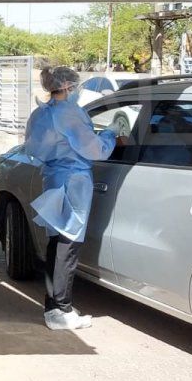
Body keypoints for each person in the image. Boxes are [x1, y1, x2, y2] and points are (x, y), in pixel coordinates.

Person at [24, 66, 120, 331]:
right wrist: (111, 133)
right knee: (68, 245)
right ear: (66, 86)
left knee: (56, 243)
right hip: (73, 181)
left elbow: (34, 147)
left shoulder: (41, 113)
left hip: (53, 178)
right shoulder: (70, 114)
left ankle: (54, 306)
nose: (77, 89)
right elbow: (95, 149)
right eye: (75, 85)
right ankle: (61, 310)